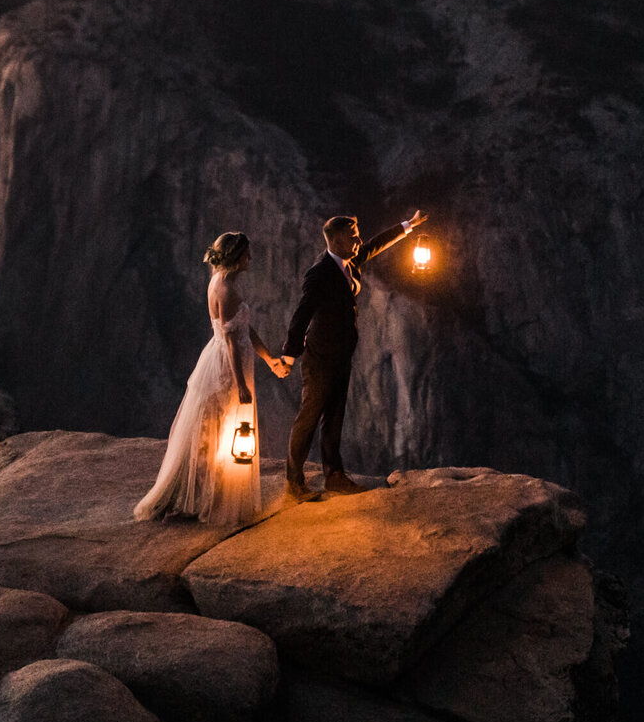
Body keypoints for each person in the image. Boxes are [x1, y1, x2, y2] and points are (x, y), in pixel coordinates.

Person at [135, 232, 288, 525]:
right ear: (235, 257)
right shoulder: (227, 291)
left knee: (216, 431)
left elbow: (243, 329)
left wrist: (268, 358)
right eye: (246, 255)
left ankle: (204, 497)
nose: (250, 260)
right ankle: (210, 500)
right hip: (226, 368)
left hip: (225, 359)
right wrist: (241, 383)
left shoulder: (220, 283)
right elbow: (231, 340)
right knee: (218, 432)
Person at [275, 210, 429, 501]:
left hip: (342, 353)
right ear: (334, 240)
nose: (359, 241)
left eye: (357, 235)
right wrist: (290, 355)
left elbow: (375, 244)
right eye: (352, 237)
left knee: (334, 416)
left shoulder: (350, 261)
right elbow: (302, 312)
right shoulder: (320, 272)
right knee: (309, 417)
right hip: (319, 358)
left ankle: (334, 476)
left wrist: (408, 224)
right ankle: (294, 482)